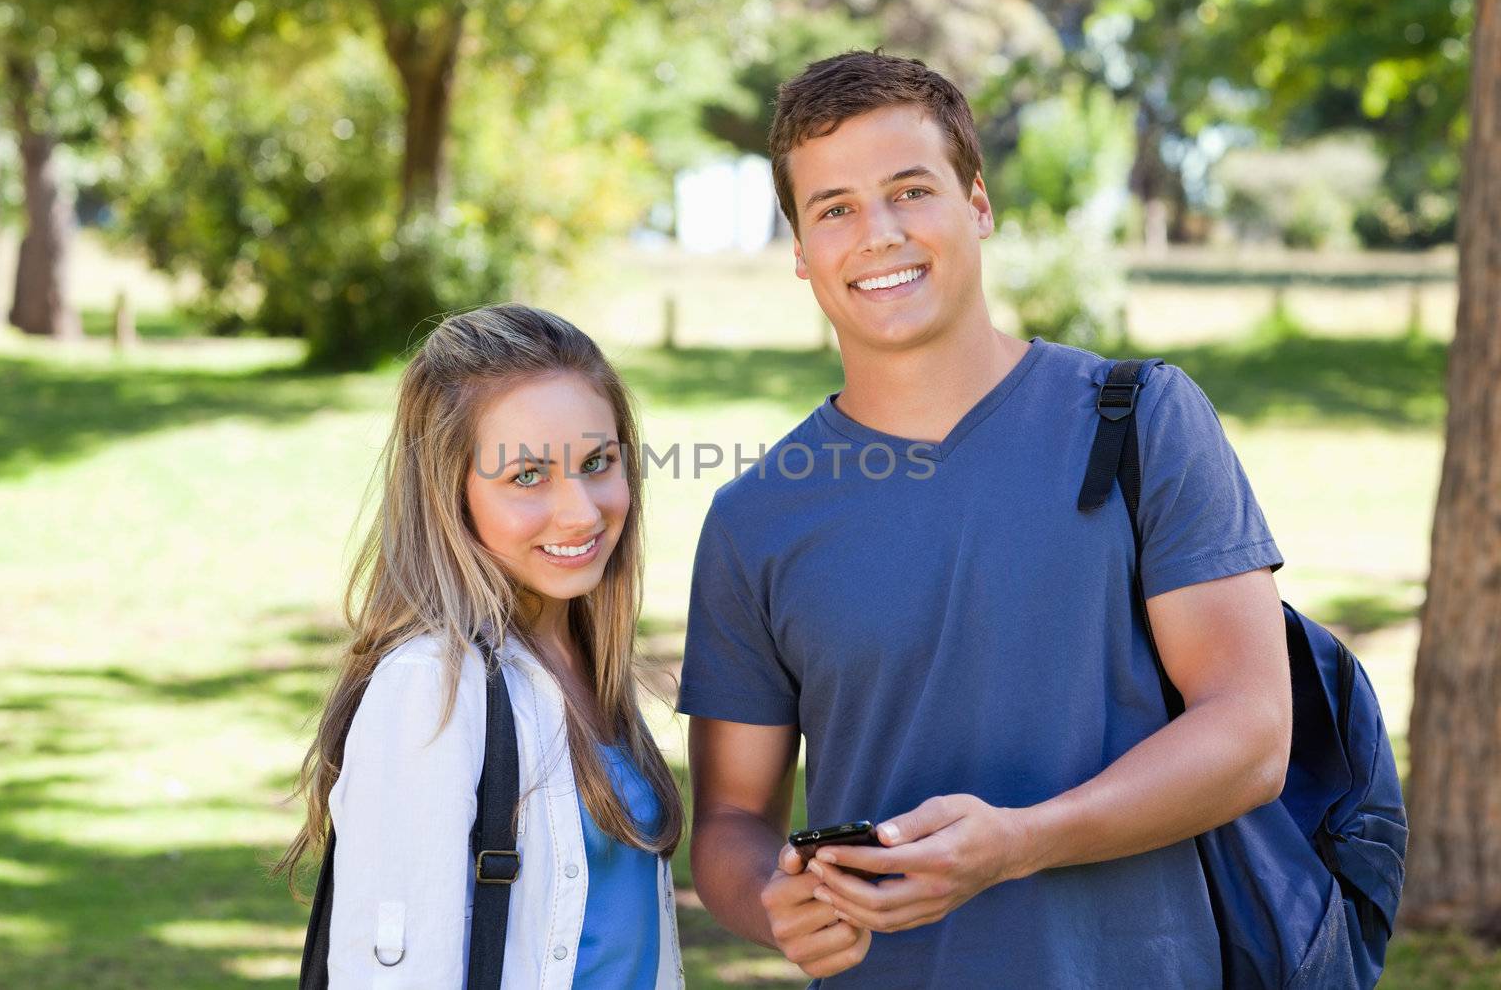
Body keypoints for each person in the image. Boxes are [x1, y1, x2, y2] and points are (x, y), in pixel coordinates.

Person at [678, 51, 1304, 986]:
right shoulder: (753, 517)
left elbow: (1253, 732)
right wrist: (774, 904)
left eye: (910, 190)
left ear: (978, 204)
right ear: (802, 254)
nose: (877, 233)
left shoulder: (1139, 421)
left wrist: (1019, 842)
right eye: (835, 207)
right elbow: (731, 819)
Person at [276, 304, 685, 987]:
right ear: (449, 494)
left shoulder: (587, 660)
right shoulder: (432, 688)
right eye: (527, 475)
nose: (581, 510)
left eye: (597, 461)